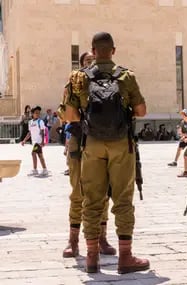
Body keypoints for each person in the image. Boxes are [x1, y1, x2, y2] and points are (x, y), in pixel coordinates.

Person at [64, 32, 149, 274]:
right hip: (121, 143)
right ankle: (125, 257)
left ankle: (91, 258)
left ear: (93, 50)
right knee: (122, 199)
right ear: (113, 50)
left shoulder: (80, 77)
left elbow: (70, 116)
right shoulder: (126, 75)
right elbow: (141, 111)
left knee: (91, 199)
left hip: (91, 144)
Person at [59, 51, 116, 260]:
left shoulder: (110, 83)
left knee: (103, 193)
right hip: (79, 140)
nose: (92, 65)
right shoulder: (74, 84)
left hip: (103, 142)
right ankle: (73, 241)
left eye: (94, 61)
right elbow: (64, 113)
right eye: (87, 62)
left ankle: (101, 238)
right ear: (81, 65)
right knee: (78, 192)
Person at [20, 106, 49, 177]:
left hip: (38, 142)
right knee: (40, 155)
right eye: (36, 113)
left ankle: (35, 170)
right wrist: (24, 140)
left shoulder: (40, 121)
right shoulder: (30, 122)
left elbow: (42, 132)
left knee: (33, 153)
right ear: (32, 114)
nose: (38, 114)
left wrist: (42, 142)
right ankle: (45, 169)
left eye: (39, 113)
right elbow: (29, 133)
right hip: (34, 142)